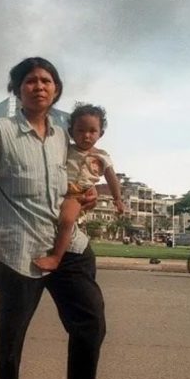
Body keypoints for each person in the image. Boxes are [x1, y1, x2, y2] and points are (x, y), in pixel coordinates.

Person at [0, 57, 105, 379]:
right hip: (18, 250)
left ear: (56, 90)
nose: (38, 86)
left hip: (68, 246)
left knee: (91, 324)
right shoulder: (0, 132)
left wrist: (87, 196)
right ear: (17, 89)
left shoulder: (62, 137)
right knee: (12, 335)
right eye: (30, 81)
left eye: (46, 80)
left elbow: (71, 186)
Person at [34, 103, 125, 271]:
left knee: (67, 220)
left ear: (101, 133)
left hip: (77, 195)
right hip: (57, 190)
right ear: (71, 132)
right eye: (81, 131)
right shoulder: (65, 149)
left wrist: (118, 199)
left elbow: (111, 177)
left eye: (92, 131)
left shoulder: (102, 156)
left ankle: (56, 257)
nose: (86, 136)